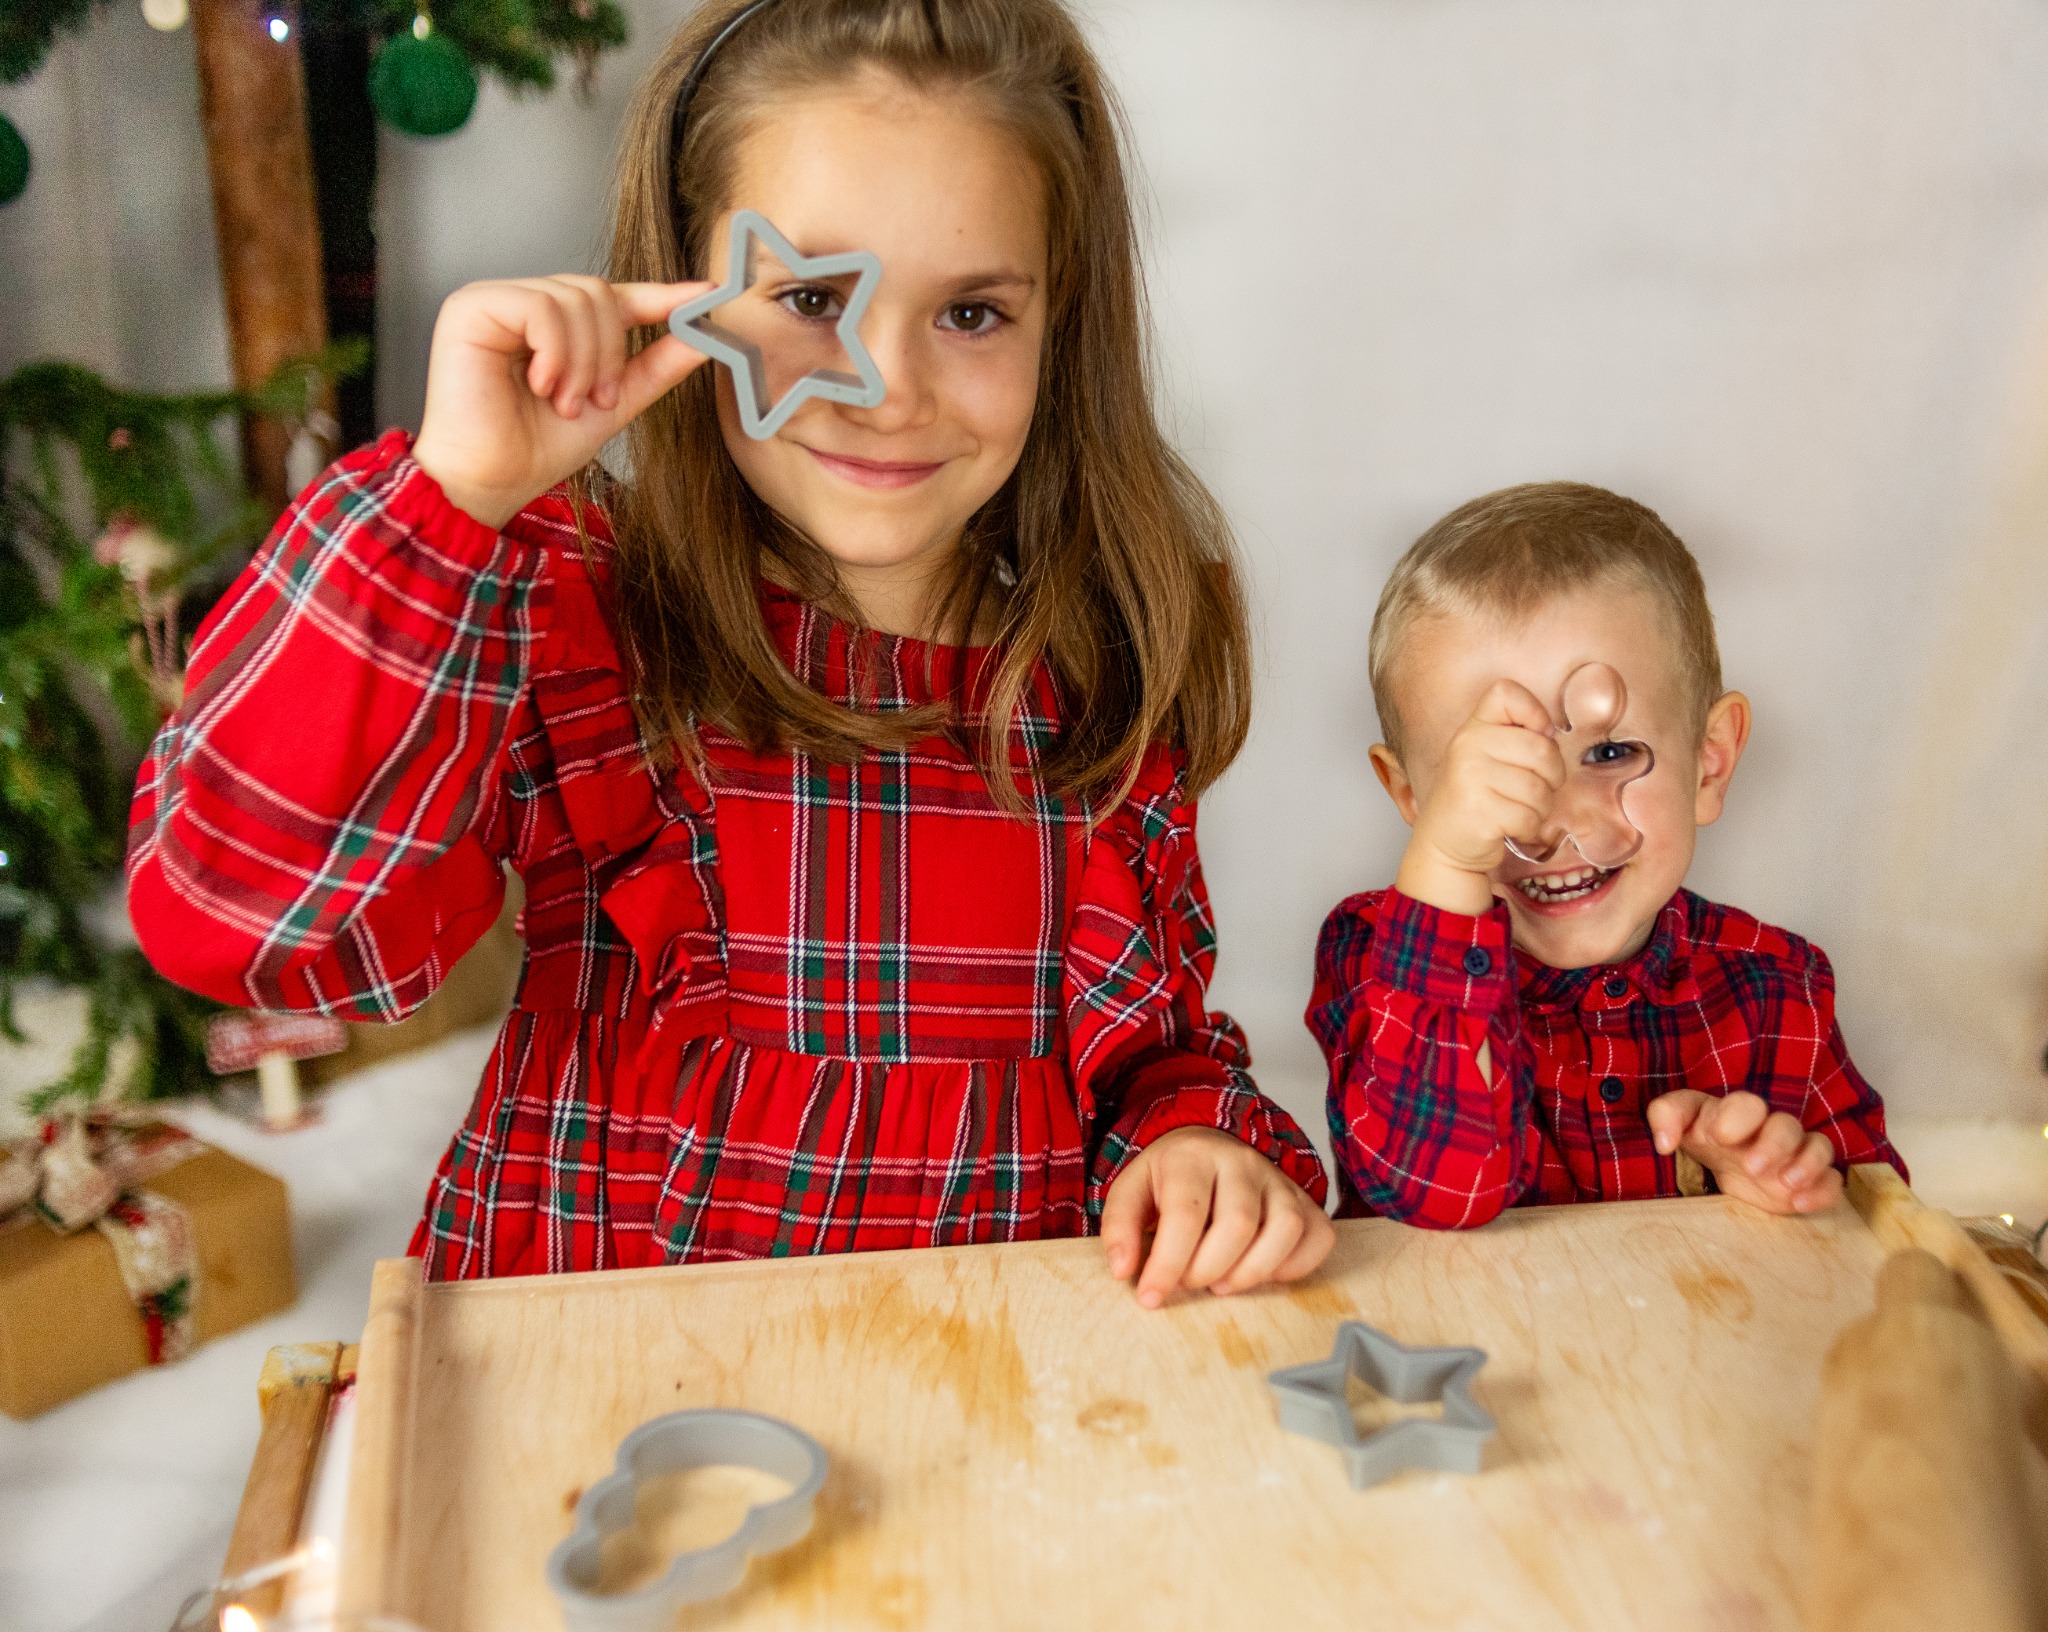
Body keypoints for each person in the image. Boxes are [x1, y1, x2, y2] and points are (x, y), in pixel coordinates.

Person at [127, 0, 1332, 1298]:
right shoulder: (578, 620)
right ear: (686, 291)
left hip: (981, 1407)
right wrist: (450, 502)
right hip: (599, 1397)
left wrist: (1191, 1142)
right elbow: (248, 928)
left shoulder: (1095, 687)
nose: (888, 386)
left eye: (972, 313)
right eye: (813, 296)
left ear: (1061, 322)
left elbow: (1150, 1061)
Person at [1308, 482, 1903, 1227]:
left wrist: (1768, 1186)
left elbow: (1885, 1238)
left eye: (1612, 751)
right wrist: (1451, 867)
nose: (1555, 821)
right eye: (1491, 772)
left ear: (1709, 764)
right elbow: (1437, 1193)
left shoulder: (1777, 987)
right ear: (1413, 799)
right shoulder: (1375, 957)